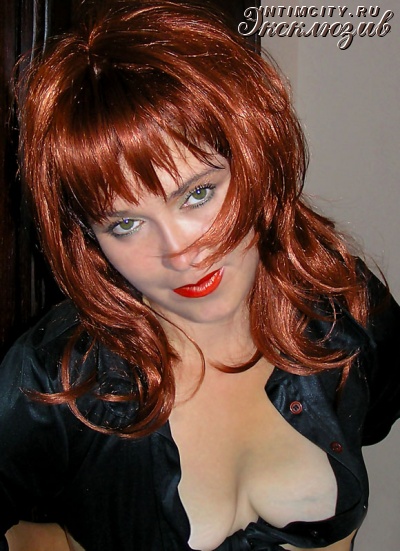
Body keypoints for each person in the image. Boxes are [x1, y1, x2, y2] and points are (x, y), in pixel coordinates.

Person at [1, 1, 399, 550]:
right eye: (125, 224)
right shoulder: (52, 381)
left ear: (254, 161)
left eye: (198, 193)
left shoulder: (346, 308)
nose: (179, 253)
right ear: (89, 238)